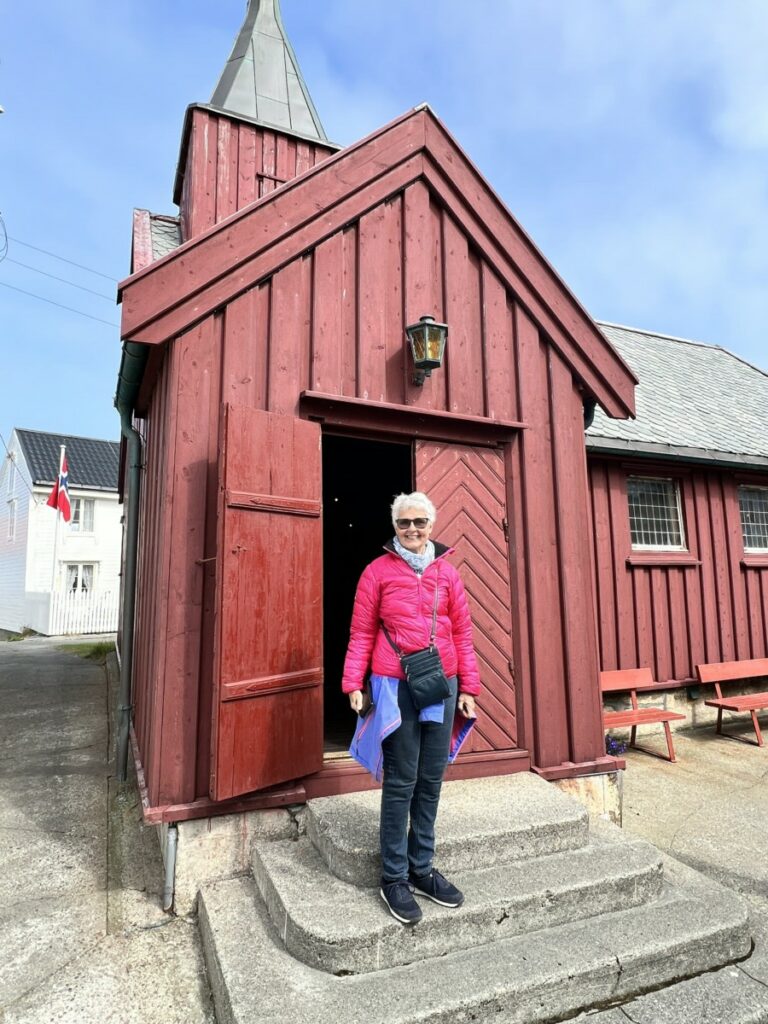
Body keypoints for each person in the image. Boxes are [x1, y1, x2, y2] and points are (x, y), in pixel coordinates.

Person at [342, 491, 481, 925]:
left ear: (432, 525)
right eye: (404, 523)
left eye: (420, 522)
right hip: (395, 684)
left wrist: (469, 687)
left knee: (431, 778)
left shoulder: (448, 575)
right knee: (401, 779)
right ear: (395, 527)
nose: (413, 530)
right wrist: (353, 682)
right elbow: (362, 631)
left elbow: (463, 634)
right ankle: (394, 877)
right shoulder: (376, 573)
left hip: (441, 684)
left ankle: (422, 868)